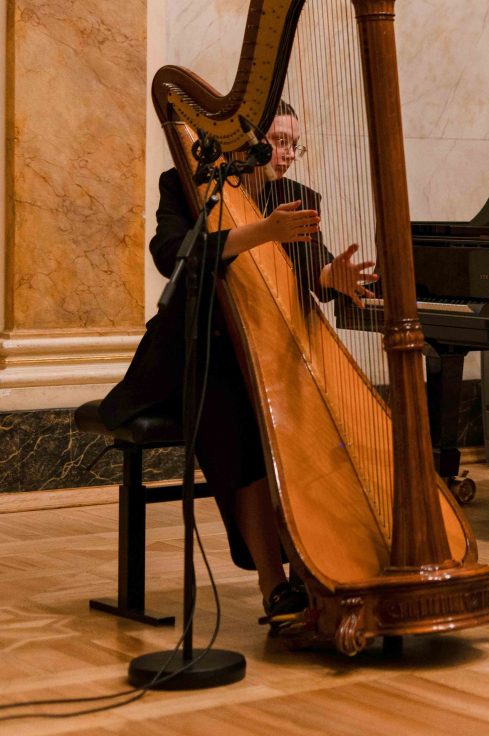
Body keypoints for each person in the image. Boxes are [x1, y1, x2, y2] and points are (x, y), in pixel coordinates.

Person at [101, 100, 376, 629]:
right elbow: (171, 254)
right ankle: (274, 582)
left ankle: (322, 557)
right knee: (241, 417)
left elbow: (310, 262)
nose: (288, 154)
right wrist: (264, 232)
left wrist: (331, 278)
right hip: (194, 352)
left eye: (295, 144)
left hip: (266, 352)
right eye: (279, 141)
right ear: (245, 142)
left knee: (314, 422)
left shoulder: (295, 198)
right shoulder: (184, 184)